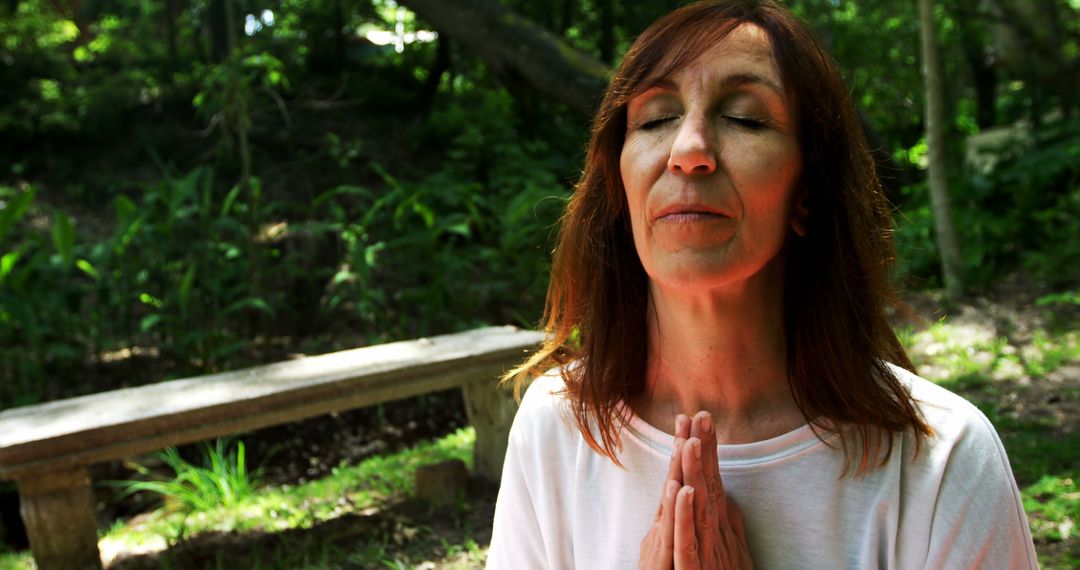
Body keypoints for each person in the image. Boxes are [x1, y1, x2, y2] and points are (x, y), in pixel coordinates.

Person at [486, 0, 1038, 568]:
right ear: (619, 187)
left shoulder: (941, 458)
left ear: (807, 195)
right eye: (654, 119)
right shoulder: (559, 427)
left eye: (745, 118)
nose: (689, 151)